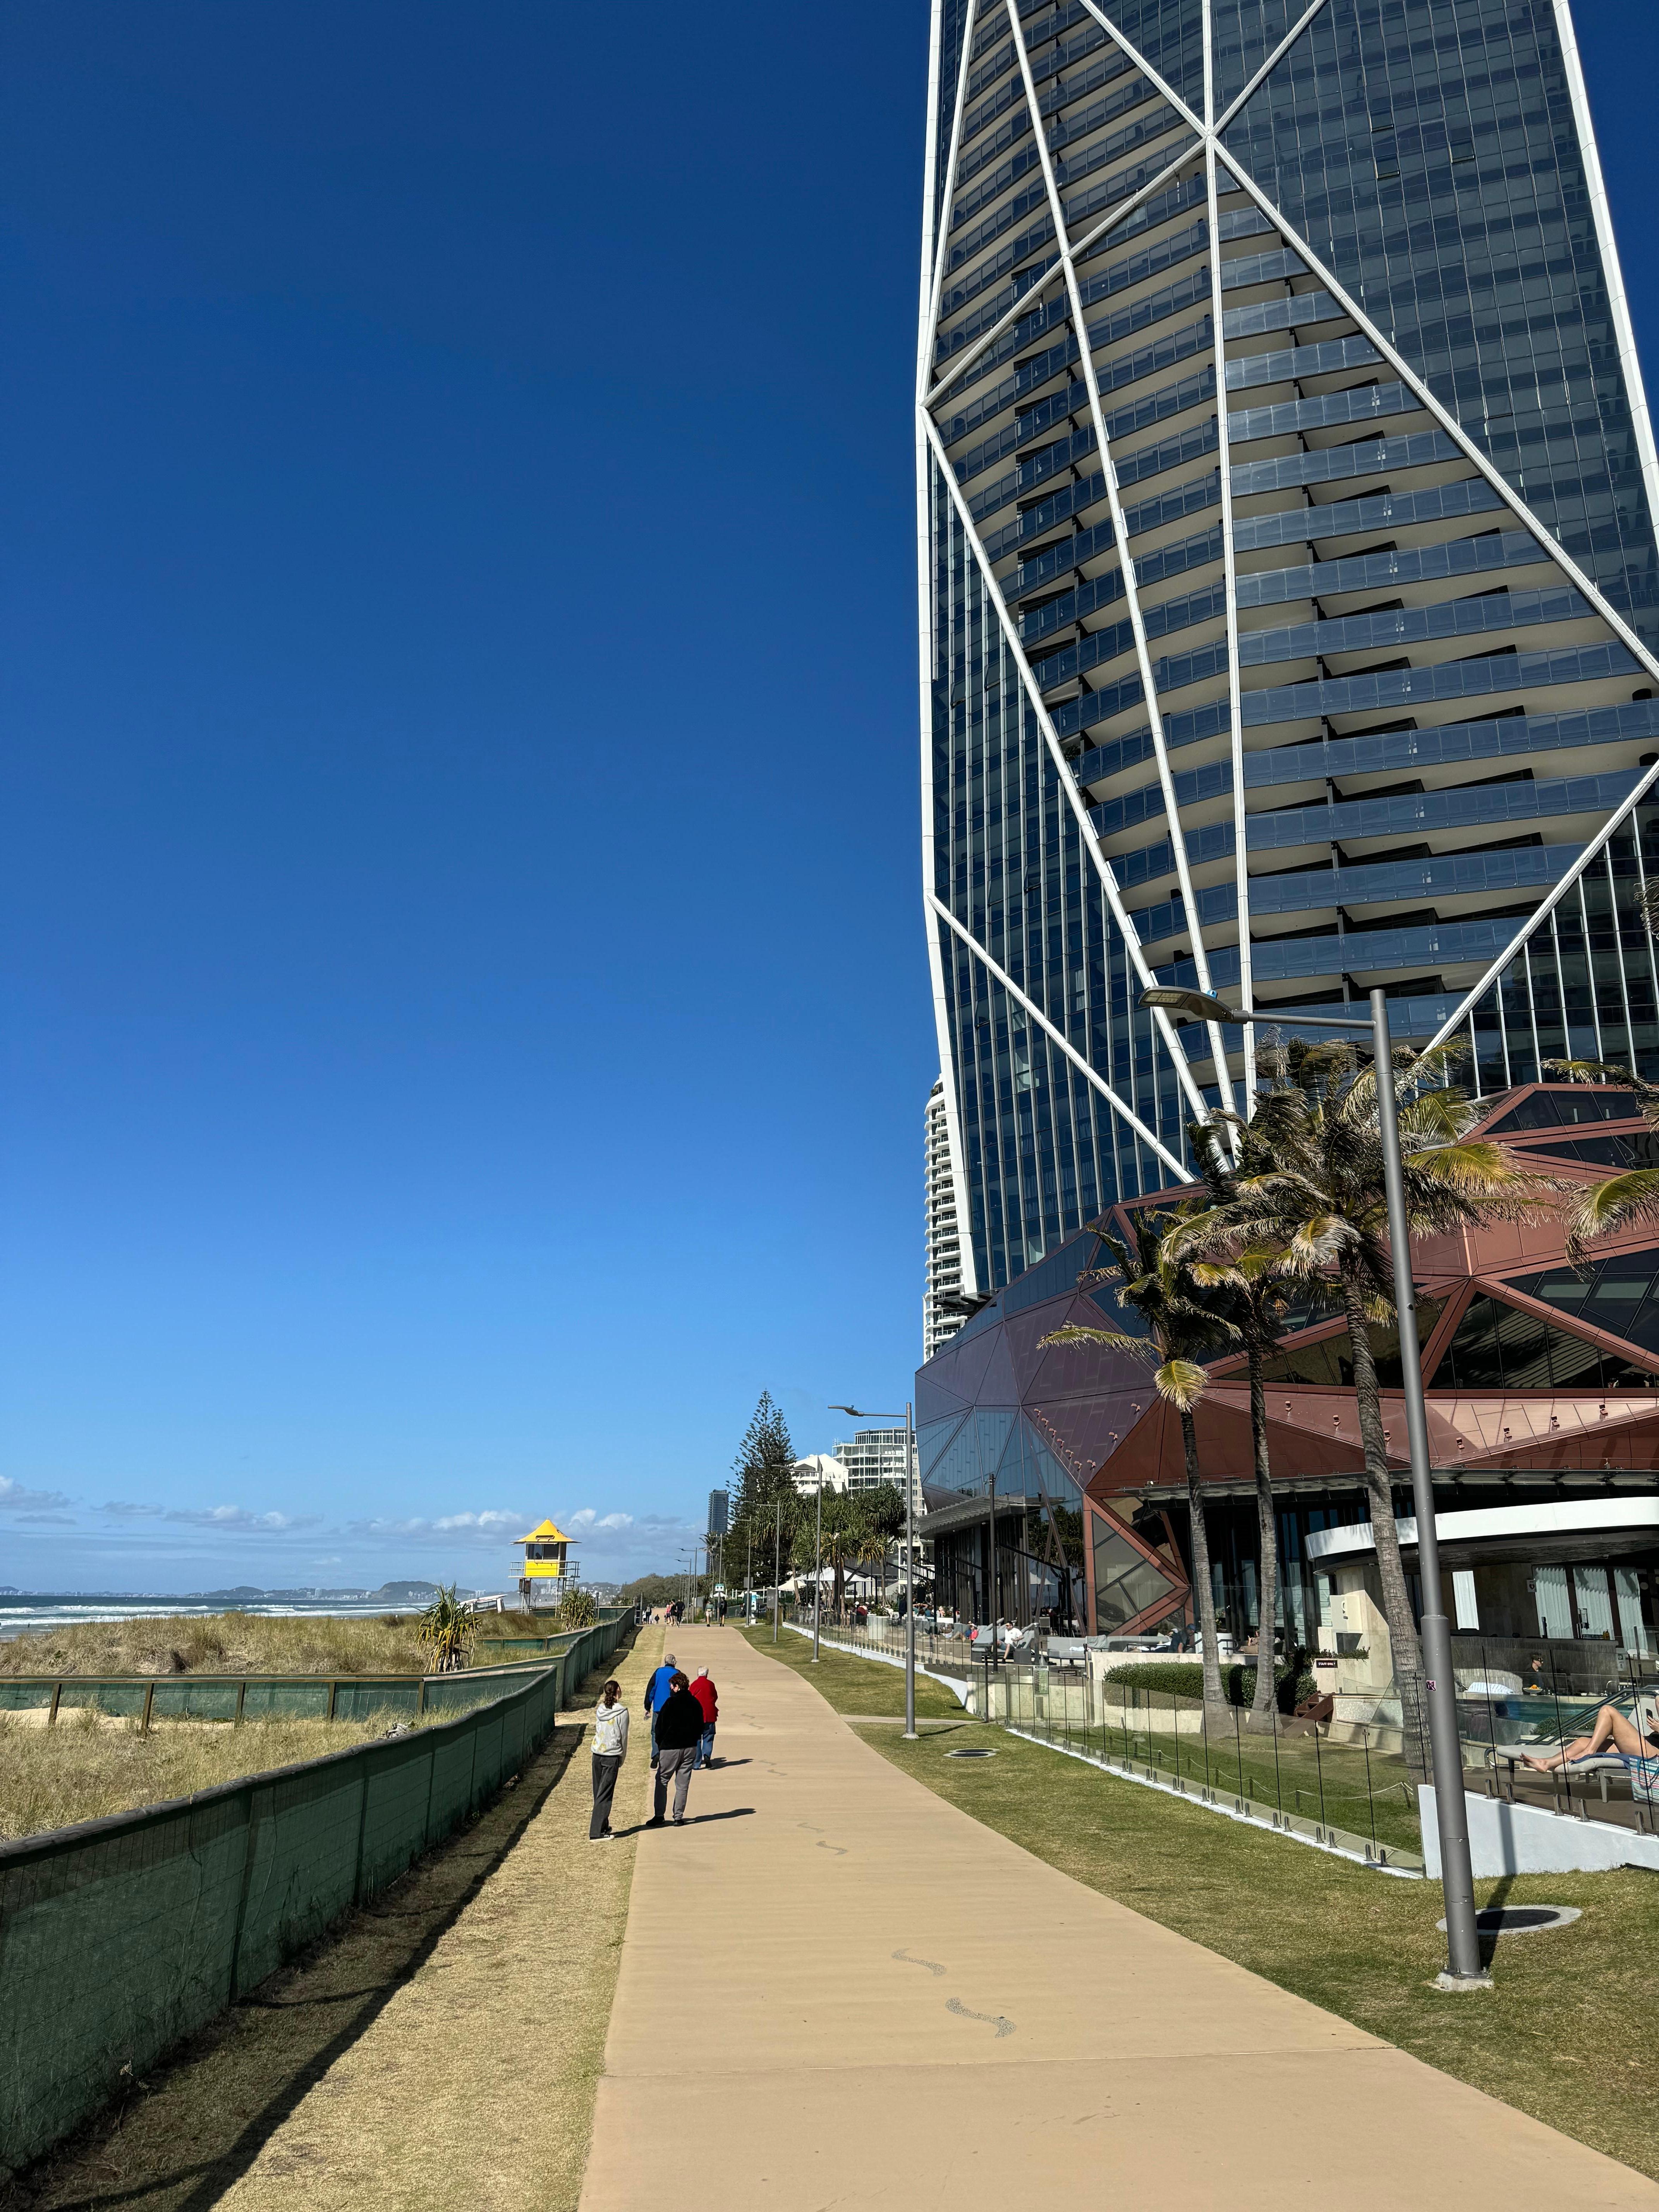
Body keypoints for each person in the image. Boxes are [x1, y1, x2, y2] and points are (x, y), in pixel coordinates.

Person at [1522, 1693, 1659, 1773]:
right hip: (1648, 1743)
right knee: (1582, 1741)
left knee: (1608, 1711)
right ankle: (1546, 1763)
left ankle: (1589, 1751)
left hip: (1654, 1754)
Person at [650, 1670, 704, 1825]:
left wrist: (661, 1745)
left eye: (671, 1686)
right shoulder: (695, 1703)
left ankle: (659, 1816)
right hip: (689, 1748)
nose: (670, 1689)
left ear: (677, 1687)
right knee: (682, 1784)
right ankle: (678, 1817)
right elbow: (700, 1727)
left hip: (671, 1748)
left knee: (662, 1780)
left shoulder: (670, 1704)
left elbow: (659, 1728)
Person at [590, 1678, 628, 1840]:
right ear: (618, 1690)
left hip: (597, 1754)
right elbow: (624, 1737)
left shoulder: (600, 1710)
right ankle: (596, 1833)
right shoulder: (622, 1712)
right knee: (605, 1795)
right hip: (611, 1756)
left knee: (599, 1792)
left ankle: (603, 1826)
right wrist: (622, 1757)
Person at [644, 1650, 678, 1767]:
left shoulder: (658, 1672)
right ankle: (669, 1757)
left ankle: (656, 1754)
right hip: (673, 1709)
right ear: (674, 1663)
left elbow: (651, 1690)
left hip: (658, 1708)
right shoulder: (677, 1674)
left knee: (655, 1732)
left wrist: (647, 1706)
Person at [690, 1666, 718, 1767]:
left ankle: (697, 1763)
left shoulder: (694, 1685)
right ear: (707, 1674)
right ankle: (707, 1755)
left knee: (696, 1739)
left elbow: (690, 1698)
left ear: (698, 1674)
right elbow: (715, 1697)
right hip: (710, 1715)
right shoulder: (711, 1684)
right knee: (709, 1737)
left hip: (697, 1716)